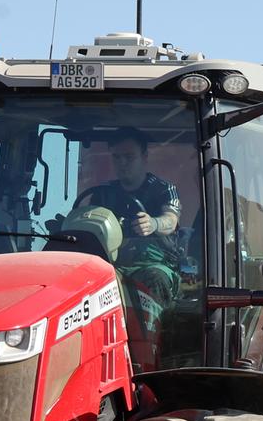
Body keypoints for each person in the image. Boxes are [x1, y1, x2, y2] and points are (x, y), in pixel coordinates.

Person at [75, 127, 183, 365]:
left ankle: (150, 354)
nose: (122, 163)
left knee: (156, 278)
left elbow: (171, 220)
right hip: (114, 264)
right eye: (117, 157)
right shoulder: (103, 194)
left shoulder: (163, 189)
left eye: (129, 157)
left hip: (156, 263)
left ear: (145, 157)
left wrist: (154, 223)